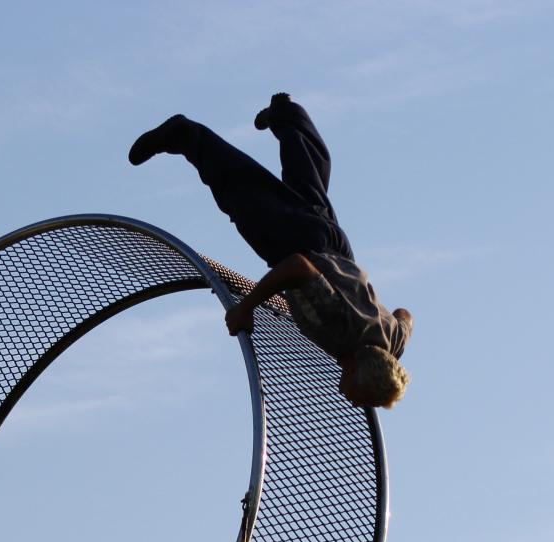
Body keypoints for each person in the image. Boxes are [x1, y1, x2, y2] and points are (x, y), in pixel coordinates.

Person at [128, 93, 412, 408]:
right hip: (295, 243)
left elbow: (405, 317)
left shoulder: (391, 343)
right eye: (360, 397)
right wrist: (246, 307)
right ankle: (184, 135)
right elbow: (298, 267)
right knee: (239, 190)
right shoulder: (342, 331)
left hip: (335, 245)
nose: (353, 401)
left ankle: (287, 115)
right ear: (358, 370)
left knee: (308, 181)